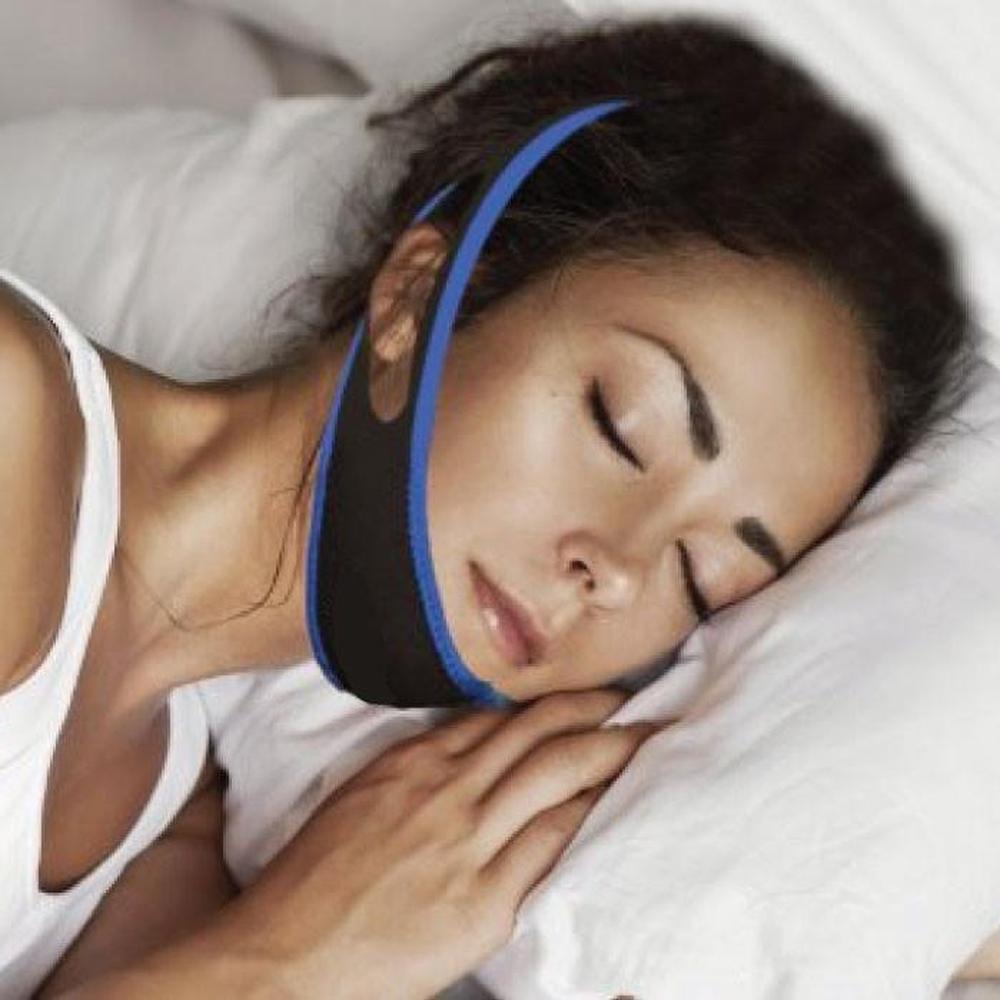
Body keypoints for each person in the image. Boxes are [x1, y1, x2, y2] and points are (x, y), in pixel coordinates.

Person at [0, 14, 979, 998]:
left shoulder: (165, 816)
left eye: (701, 576)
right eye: (620, 426)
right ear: (418, 293)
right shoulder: (12, 411)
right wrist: (290, 958)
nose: (617, 570)